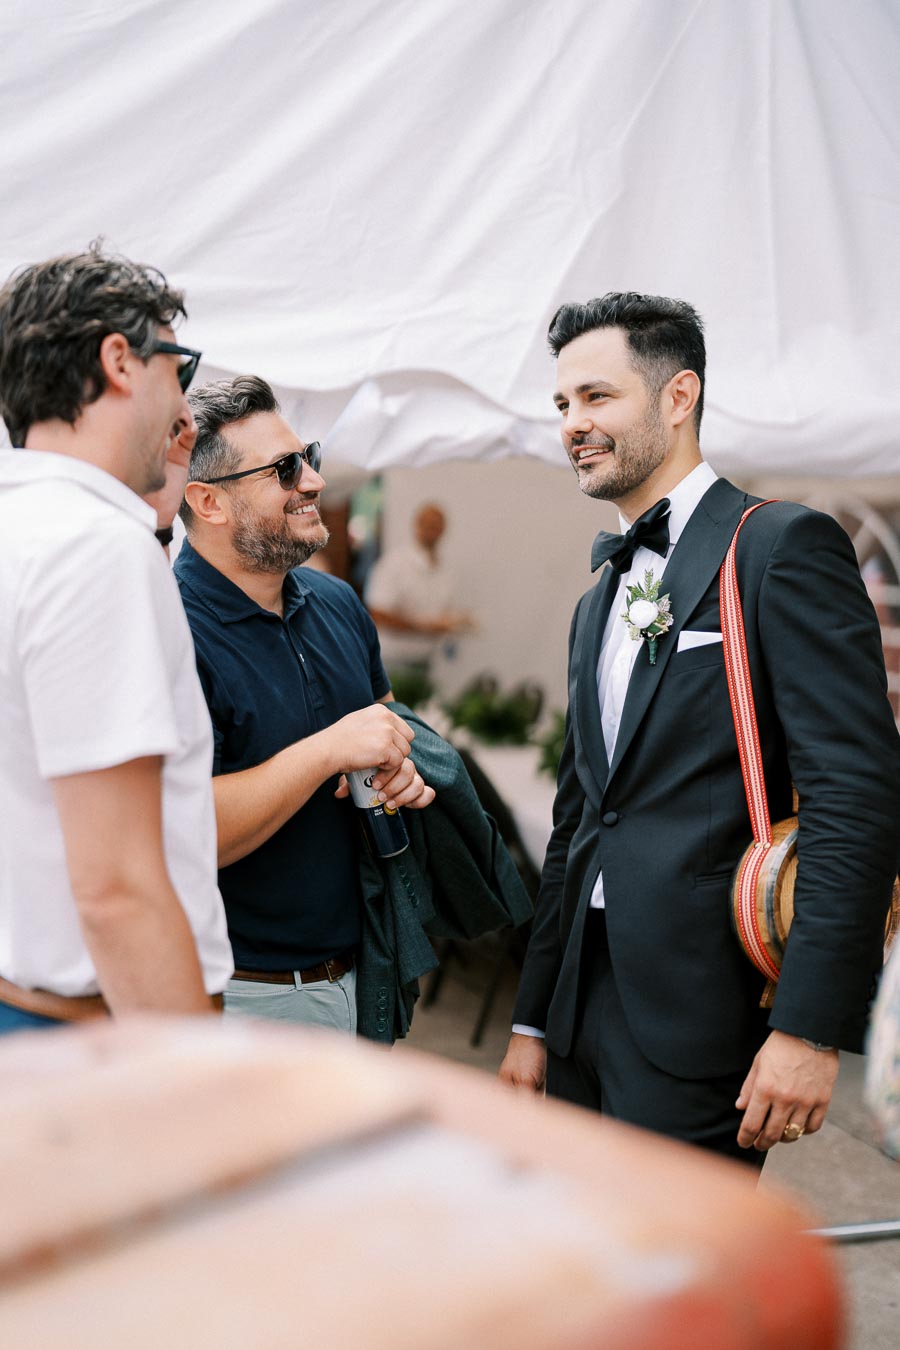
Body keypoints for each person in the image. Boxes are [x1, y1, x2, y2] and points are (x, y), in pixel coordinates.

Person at [499, 291, 900, 1164]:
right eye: (564, 404)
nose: (573, 423)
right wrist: (533, 1018)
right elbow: (579, 820)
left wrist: (809, 1027)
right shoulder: (597, 595)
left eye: (598, 398)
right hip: (576, 1008)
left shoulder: (781, 546)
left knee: (671, 1278)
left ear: (678, 398)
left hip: (705, 1013)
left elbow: (856, 800)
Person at [0, 244, 233, 1033]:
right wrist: (193, 1082)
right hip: (89, 1026)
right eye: (181, 369)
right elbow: (117, 889)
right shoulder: (94, 545)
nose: (183, 411)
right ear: (121, 361)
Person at [175, 376, 434, 1032]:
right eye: (286, 469)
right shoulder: (167, 629)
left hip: (364, 970)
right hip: (243, 997)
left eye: (308, 456)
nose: (314, 481)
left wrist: (399, 764)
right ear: (209, 502)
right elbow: (185, 830)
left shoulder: (340, 604)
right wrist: (327, 751)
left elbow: (386, 723)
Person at [365, 502, 473, 701]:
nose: (433, 531)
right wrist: (422, 627)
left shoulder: (444, 570)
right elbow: (378, 614)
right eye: (429, 525)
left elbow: (442, 613)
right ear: (417, 525)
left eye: (437, 526)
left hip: (425, 661)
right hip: (392, 663)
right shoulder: (395, 563)